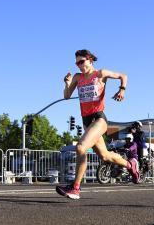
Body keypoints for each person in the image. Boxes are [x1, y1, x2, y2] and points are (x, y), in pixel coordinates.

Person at [56, 49, 140, 200]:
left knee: (81, 147)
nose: (79, 65)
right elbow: (67, 96)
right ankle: (130, 166)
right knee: (105, 156)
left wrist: (122, 89)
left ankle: (75, 188)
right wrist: (67, 83)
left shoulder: (100, 74)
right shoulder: (77, 77)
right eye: (77, 63)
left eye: (81, 62)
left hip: (99, 119)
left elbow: (123, 76)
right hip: (87, 121)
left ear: (90, 60)